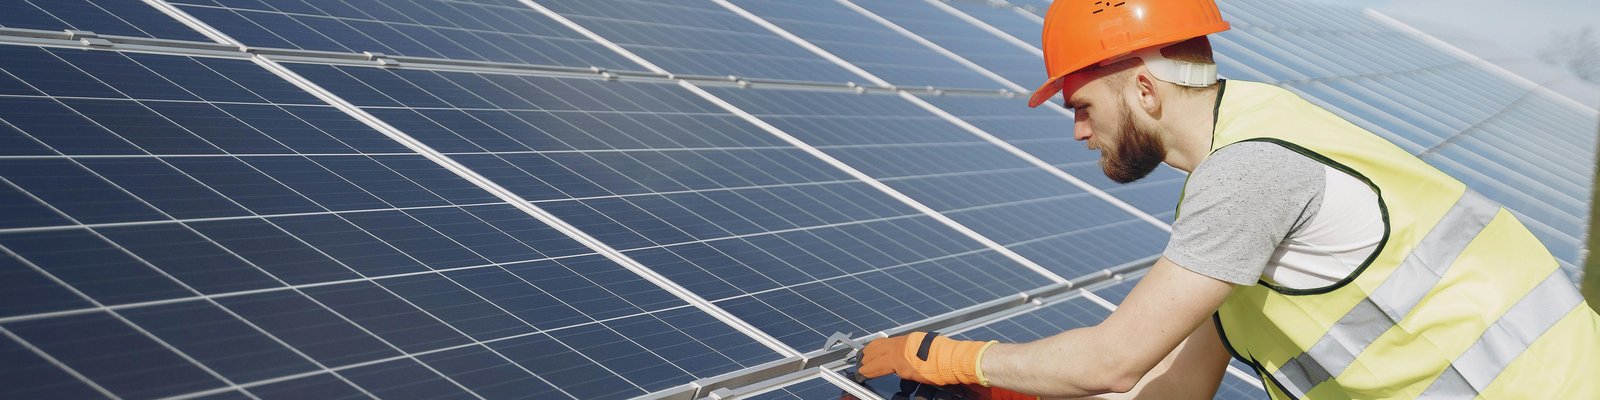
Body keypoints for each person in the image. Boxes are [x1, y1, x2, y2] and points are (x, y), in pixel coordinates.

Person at [856, 0, 1600, 398]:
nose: (1078, 130)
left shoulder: (1249, 177)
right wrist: (1020, 393)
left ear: (1144, 89)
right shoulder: (1253, 143)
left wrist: (951, 360)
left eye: (1081, 105)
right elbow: (1173, 389)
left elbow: (1112, 361)